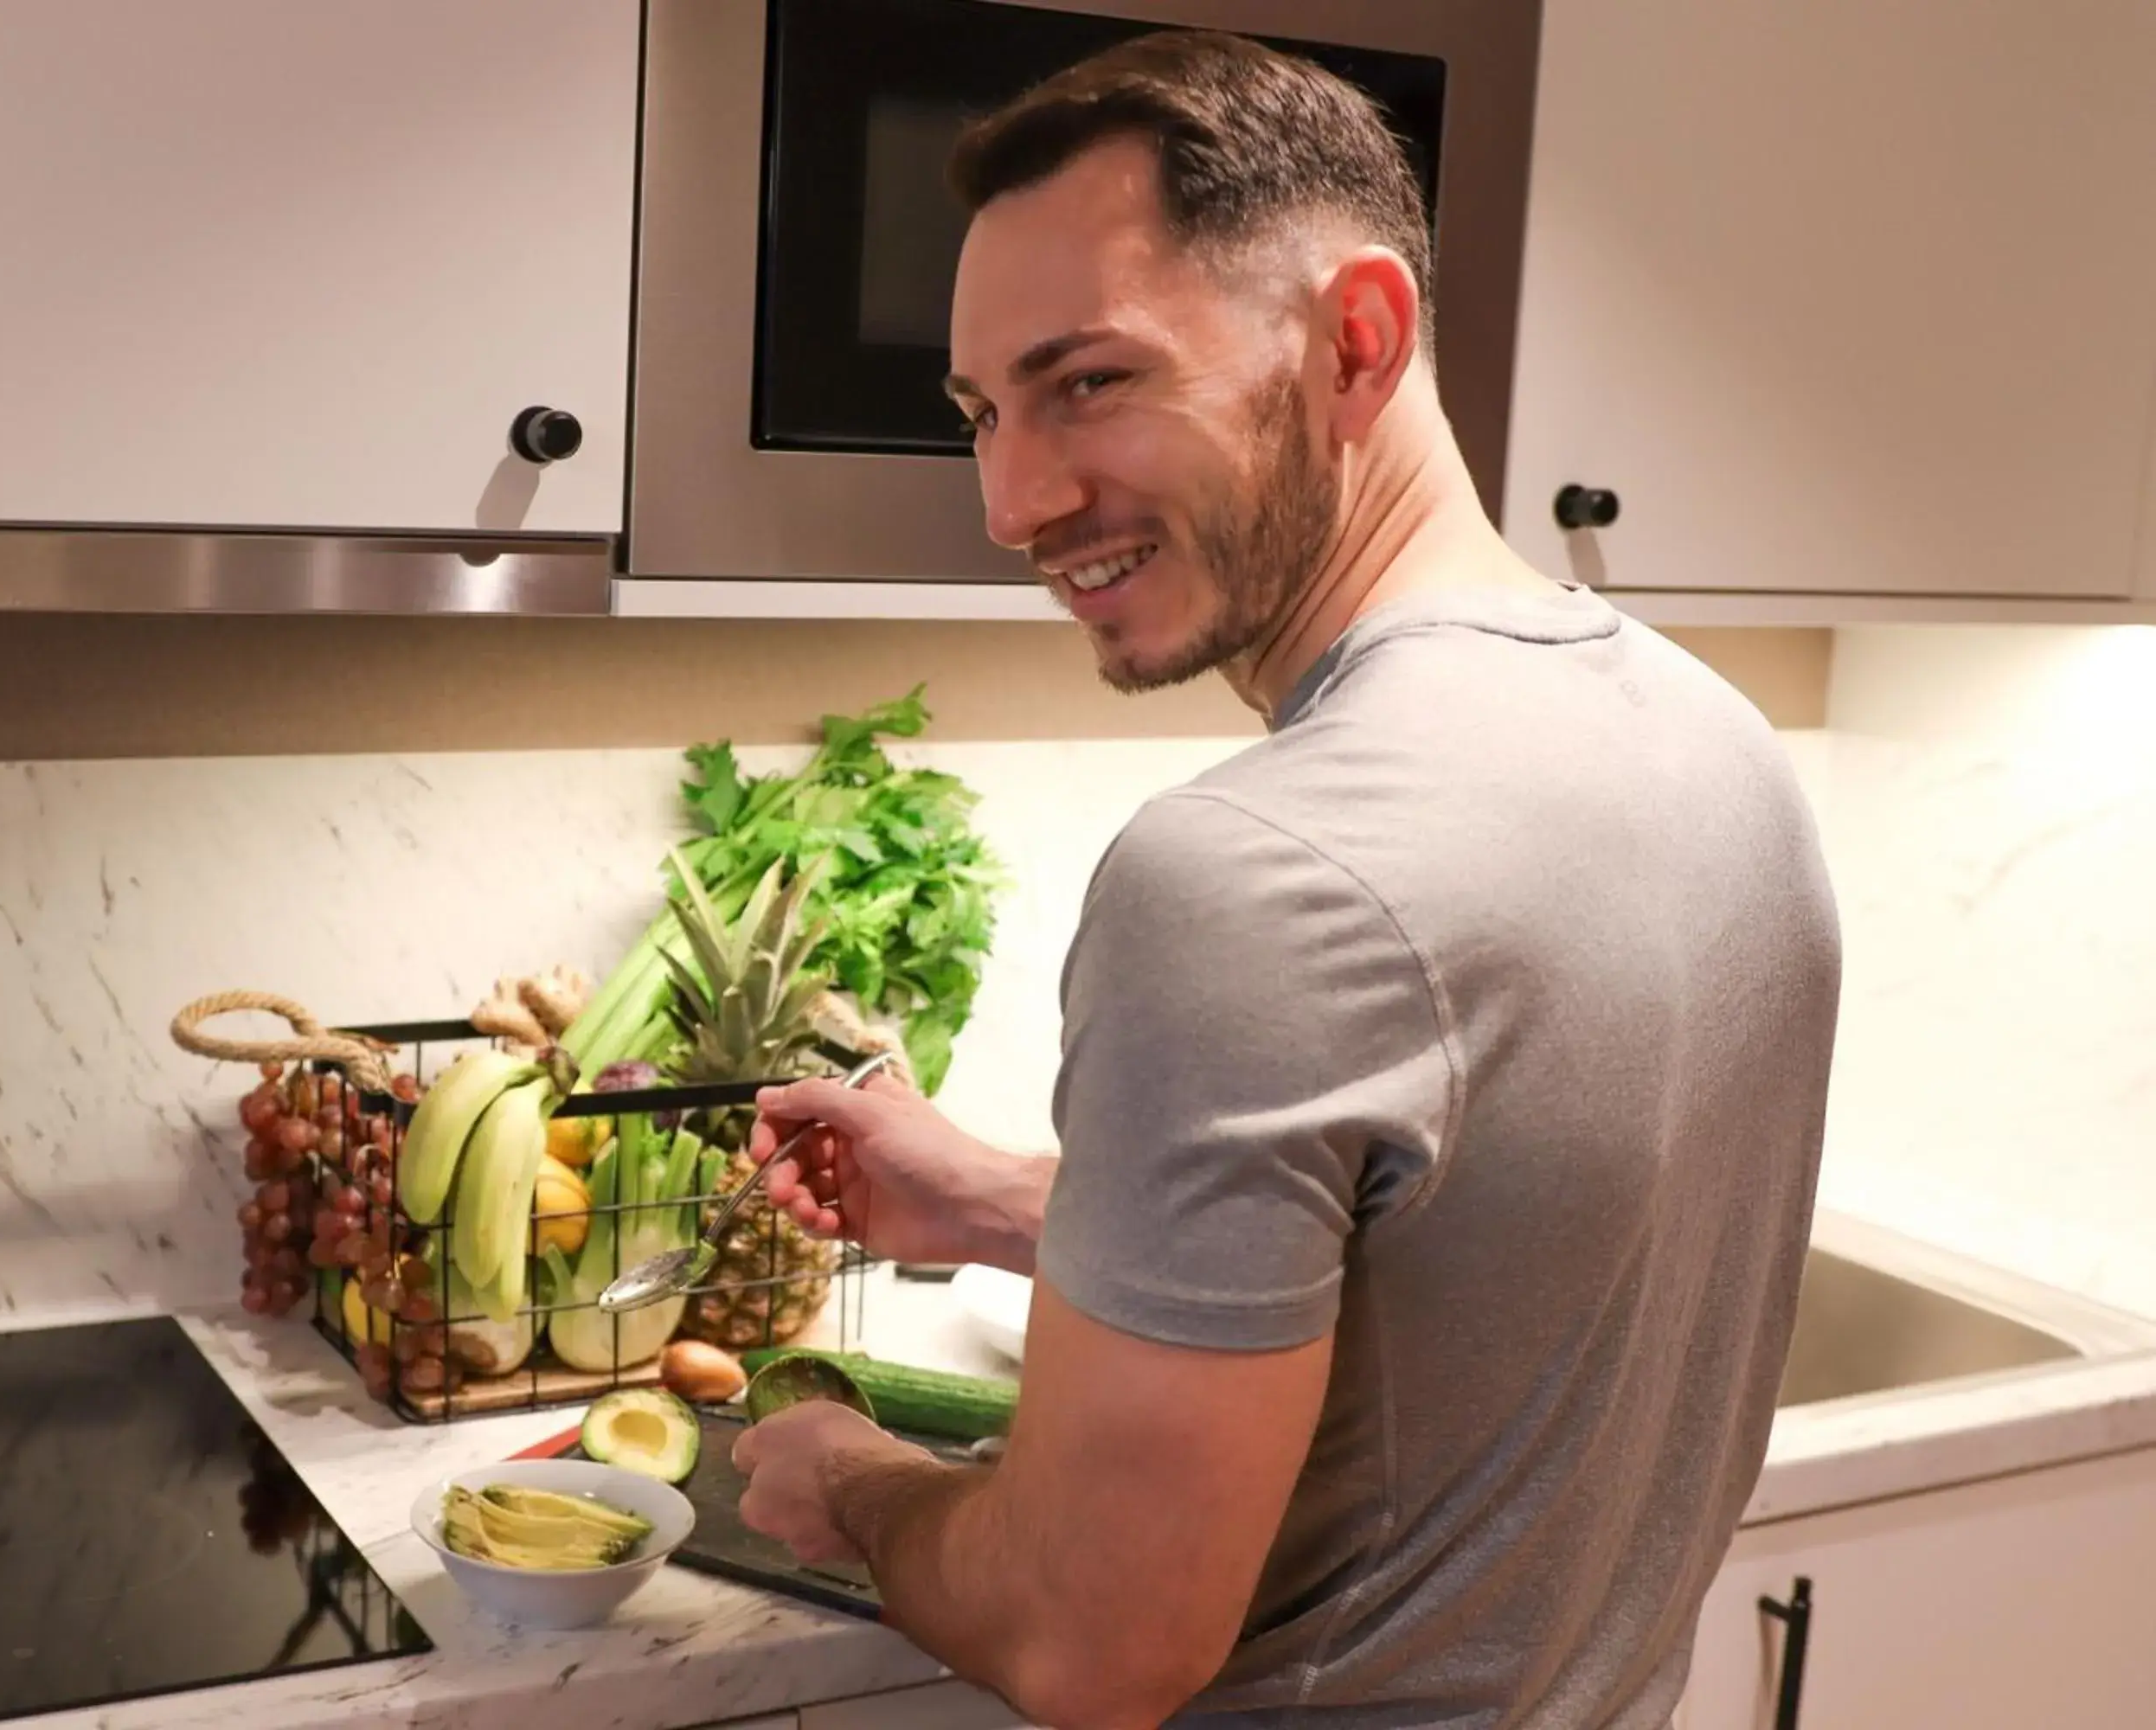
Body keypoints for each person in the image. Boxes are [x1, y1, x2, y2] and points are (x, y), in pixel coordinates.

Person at [728, 29, 1842, 1730]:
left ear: (1358, 341)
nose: (1014, 500)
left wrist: (848, 1478)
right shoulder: (1718, 749)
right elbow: (1488, 1272)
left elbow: (1094, 1639)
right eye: (982, 412)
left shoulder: (1248, 874)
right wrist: (1011, 1203)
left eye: (1090, 379)